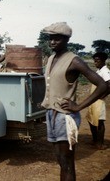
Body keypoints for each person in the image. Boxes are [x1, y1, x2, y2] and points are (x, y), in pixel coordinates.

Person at [41, 22, 107, 181]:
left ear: (66, 40)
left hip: (66, 118)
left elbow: (103, 85)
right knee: (60, 160)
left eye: (57, 39)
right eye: (51, 38)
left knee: (67, 162)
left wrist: (78, 106)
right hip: (51, 114)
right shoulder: (50, 58)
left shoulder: (74, 61)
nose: (52, 42)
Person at [86, 52, 109, 150]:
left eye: (98, 60)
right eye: (94, 61)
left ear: (104, 61)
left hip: (99, 101)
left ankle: (100, 143)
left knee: (99, 122)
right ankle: (95, 140)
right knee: (91, 120)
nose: (95, 63)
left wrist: (102, 95)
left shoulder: (105, 71)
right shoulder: (99, 71)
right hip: (93, 100)